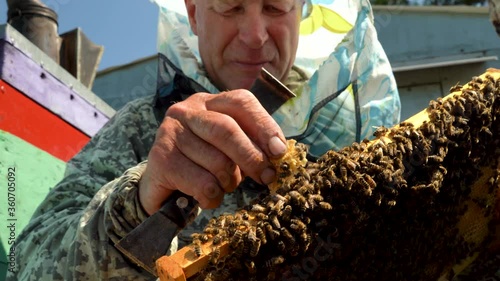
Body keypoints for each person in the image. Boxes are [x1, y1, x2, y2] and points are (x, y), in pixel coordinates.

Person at [7, 0, 400, 280]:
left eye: (276, 7)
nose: (254, 35)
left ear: (300, 13)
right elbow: (27, 265)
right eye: (231, 8)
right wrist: (139, 204)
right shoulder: (141, 127)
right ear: (194, 13)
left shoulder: (350, 141)